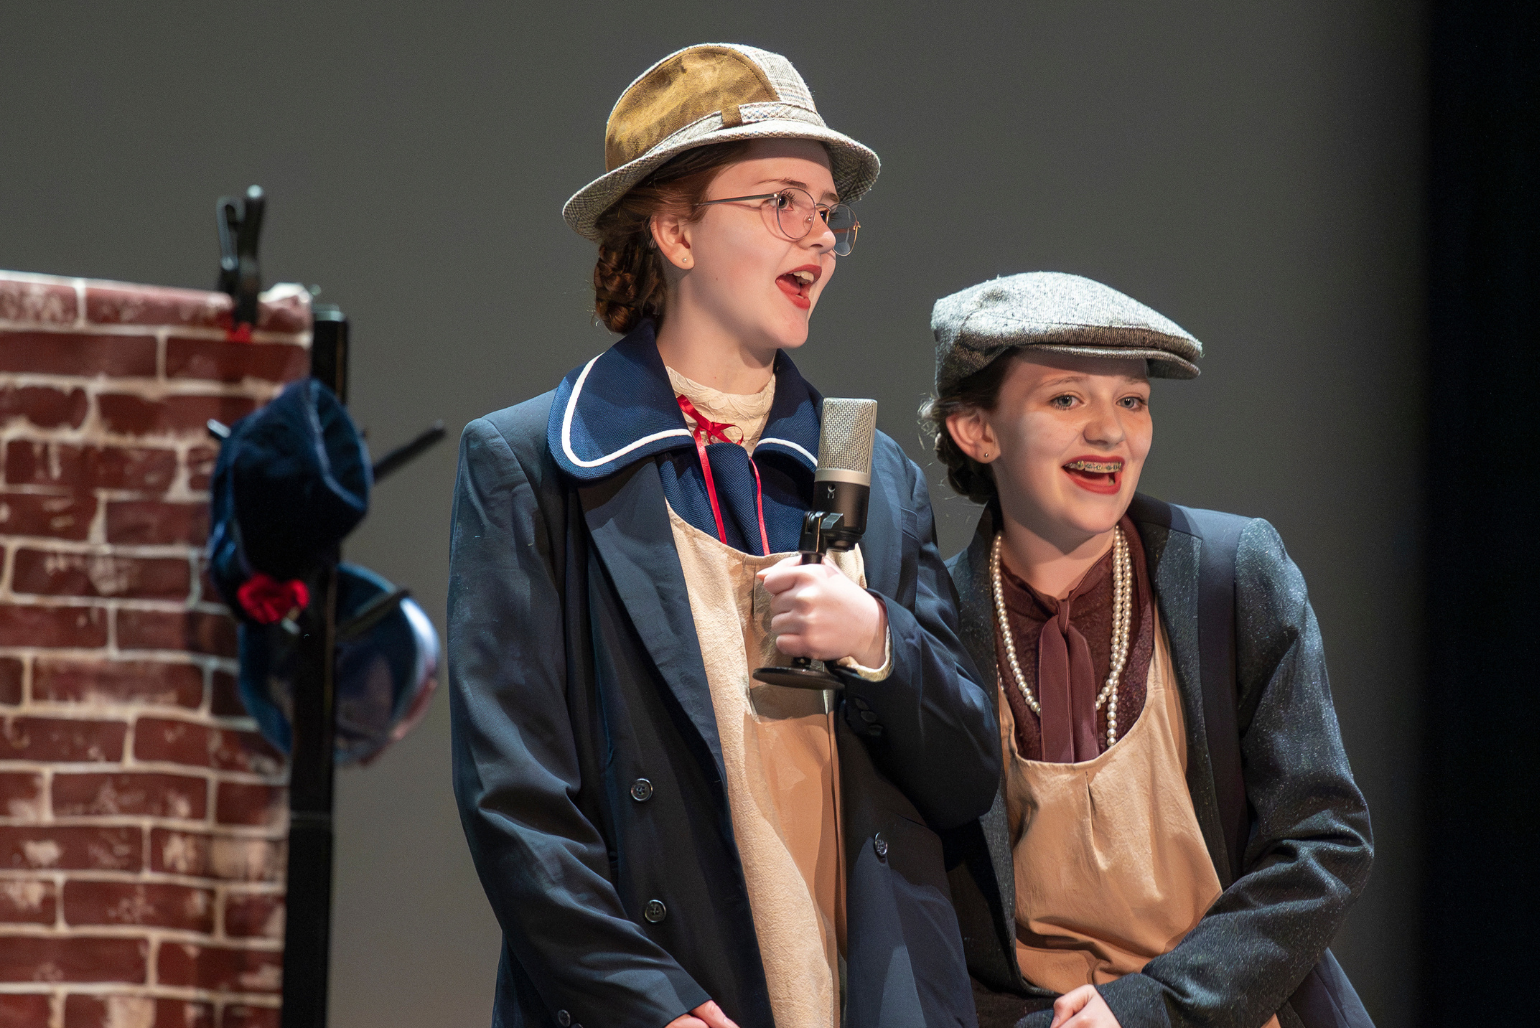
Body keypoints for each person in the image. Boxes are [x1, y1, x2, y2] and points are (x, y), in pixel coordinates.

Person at [449, 44, 998, 1028]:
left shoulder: (872, 469)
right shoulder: (533, 461)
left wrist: (877, 637)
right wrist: (642, 995)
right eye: (779, 201)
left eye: (827, 211)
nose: (817, 237)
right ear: (675, 229)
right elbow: (515, 795)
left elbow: (963, 776)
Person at [920, 273, 1374, 1028]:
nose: (1111, 432)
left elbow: (1323, 840)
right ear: (976, 431)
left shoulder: (1231, 573)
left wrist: (1154, 1007)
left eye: (1132, 400)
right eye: (1067, 399)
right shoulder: (929, 618)